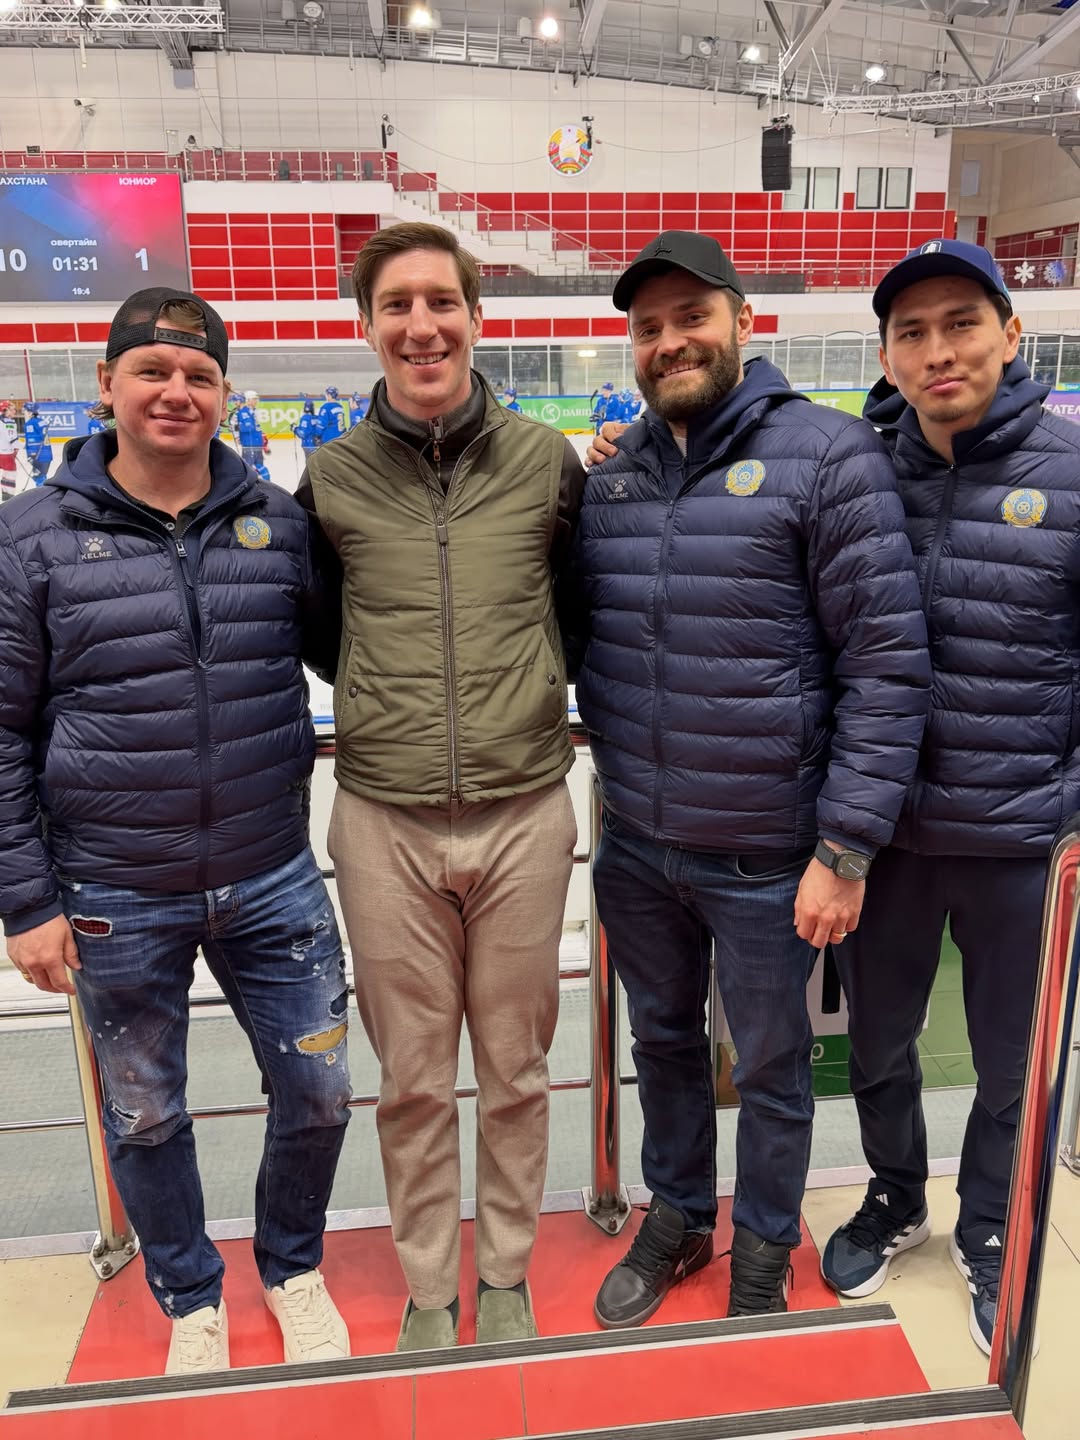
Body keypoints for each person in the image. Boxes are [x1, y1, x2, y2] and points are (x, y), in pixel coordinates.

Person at [572, 231, 930, 1325]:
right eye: (649, 327)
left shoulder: (828, 455)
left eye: (693, 317)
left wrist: (845, 847)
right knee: (661, 1045)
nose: (670, 341)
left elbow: (886, 665)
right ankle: (681, 1215)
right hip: (639, 843)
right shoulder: (615, 475)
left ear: (743, 321)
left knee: (773, 1068)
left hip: (773, 854)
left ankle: (766, 1243)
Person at [0, 287, 351, 1376]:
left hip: (271, 873)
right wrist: (26, 902)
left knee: (320, 1089)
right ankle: (190, 1292)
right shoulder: (32, 538)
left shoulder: (277, 522)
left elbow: (345, 647)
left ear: (225, 395)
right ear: (106, 384)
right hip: (112, 888)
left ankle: (292, 1265)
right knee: (146, 1114)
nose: (175, 391)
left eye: (199, 375)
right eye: (152, 371)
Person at [297, 221, 584, 1352]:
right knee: (412, 1078)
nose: (422, 325)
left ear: (474, 315)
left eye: (441, 301)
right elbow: (323, 635)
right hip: (385, 820)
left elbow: (576, 613)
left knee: (516, 1068)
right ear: (367, 326)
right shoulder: (330, 477)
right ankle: (428, 1284)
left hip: (524, 811)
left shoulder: (547, 463)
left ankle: (503, 1270)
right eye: (396, 305)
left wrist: (519, 698)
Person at [819, 239, 1077, 1355]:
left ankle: (987, 1225)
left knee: (1010, 1062)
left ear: (1010, 334)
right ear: (886, 354)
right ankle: (894, 1196)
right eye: (912, 333)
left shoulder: (1071, 474)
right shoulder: (855, 474)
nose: (939, 352)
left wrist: (1071, 809)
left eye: (962, 324)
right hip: (887, 840)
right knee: (878, 1043)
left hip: (1024, 840)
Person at [234, 389, 269, 474]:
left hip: (257, 444)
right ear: (248, 400)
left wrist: (263, 441)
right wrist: (237, 436)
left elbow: (256, 428)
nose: (256, 401)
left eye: (256, 399)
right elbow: (241, 427)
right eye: (254, 399)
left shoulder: (254, 412)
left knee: (260, 468)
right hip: (249, 445)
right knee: (249, 469)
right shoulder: (241, 413)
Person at [23, 404, 51, 485]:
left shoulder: (30, 424)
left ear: (30, 412)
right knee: (42, 475)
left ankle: (42, 491)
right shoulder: (42, 421)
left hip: (37, 454)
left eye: (25, 410)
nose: (24, 412)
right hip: (47, 453)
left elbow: (32, 440)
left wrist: (31, 453)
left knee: (39, 477)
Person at [0, 411, 17, 500]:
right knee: (10, 473)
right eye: (12, 409)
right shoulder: (8, 421)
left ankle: (5, 493)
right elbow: (12, 438)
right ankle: (8, 496)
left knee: (6, 473)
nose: (14, 411)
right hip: (6, 453)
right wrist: (19, 446)